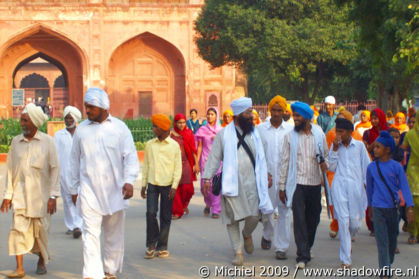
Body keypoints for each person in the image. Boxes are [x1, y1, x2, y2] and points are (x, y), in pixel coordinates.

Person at [70, 87, 140, 279]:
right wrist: (73, 188)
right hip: (89, 190)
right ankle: (92, 274)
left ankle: (110, 270)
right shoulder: (81, 130)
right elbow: (74, 160)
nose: (87, 111)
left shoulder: (119, 128)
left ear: (102, 107)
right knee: (89, 234)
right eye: (86, 106)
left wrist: (129, 181)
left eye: (91, 107)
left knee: (113, 234)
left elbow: (131, 157)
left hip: (115, 191)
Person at [202, 97, 273, 266]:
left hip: (253, 184)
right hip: (231, 183)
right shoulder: (223, 135)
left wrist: (268, 174)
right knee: (232, 220)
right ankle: (238, 252)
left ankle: (247, 234)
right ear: (238, 114)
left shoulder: (257, 134)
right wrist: (207, 178)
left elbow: (264, 157)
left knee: (254, 216)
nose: (252, 116)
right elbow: (214, 157)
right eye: (248, 113)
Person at [1, 103, 59, 278]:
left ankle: (41, 260)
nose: (22, 124)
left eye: (25, 121)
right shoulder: (15, 142)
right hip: (20, 196)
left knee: (40, 232)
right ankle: (19, 268)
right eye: (22, 120)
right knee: (17, 230)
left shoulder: (48, 142)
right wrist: (7, 195)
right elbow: (10, 170)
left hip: (40, 198)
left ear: (34, 122)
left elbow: (55, 169)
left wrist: (53, 195)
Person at [278, 102, 328, 269]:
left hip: (315, 183)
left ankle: (307, 246)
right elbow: (284, 162)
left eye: (298, 116)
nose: (295, 119)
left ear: (307, 118)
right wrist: (282, 186)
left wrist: (324, 165)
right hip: (297, 184)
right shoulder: (289, 136)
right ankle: (302, 255)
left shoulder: (319, 134)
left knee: (313, 218)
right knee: (299, 219)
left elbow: (326, 156)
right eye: (294, 116)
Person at [366, 131, 415, 278]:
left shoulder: (396, 167)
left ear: (387, 150)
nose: (374, 150)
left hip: (393, 209)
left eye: (378, 147)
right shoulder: (371, 167)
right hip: (378, 208)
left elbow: (405, 187)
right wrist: (369, 207)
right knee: (382, 242)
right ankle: (385, 272)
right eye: (374, 147)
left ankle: (388, 261)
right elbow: (369, 188)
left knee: (392, 242)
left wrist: (410, 207)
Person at [329, 118, 371, 268]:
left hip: (356, 188)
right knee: (343, 221)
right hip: (339, 187)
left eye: (341, 132)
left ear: (349, 132)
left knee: (354, 223)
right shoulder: (335, 147)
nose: (338, 135)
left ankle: (349, 239)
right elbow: (331, 167)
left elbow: (367, 167)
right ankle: (346, 259)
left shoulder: (359, 146)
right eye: (337, 131)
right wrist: (334, 150)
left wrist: (369, 187)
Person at [141, 114, 182, 259]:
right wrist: (143, 184)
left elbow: (178, 167)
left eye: (155, 127)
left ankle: (162, 246)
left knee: (165, 216)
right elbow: (146, 165)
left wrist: (174, 186)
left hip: (168, 185)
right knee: (151, 213)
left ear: (164, 129)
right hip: (152, 183)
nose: (153, 129)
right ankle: (151, 244)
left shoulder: (174, 146)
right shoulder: (150, 145)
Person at [257, 95, 293, 259]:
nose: (277, 113)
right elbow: (257, 154)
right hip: (267, 176)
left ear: (284, 111)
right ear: (269, 110)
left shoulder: (290, 130)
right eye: (274, 110)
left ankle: (281, 247)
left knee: (285, 211)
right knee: (268, 210)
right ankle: (267, 233)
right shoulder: (261, 130)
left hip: (285, 177)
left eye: (280, 110)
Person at [326, 110, 363, 239]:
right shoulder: (331, 135)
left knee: (353, 220)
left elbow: (365, 164)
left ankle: (349, 231)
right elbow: (330, 163)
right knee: (338, 210)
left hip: (354, 183)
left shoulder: (358, 141)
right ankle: (345, 253)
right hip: (336, 178)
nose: (339, 133)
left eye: (344, 119)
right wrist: (335, 149)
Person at [54, 106, 83, 239]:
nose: (68, 120)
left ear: (76, 119)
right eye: (66, 118)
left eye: (70, 118)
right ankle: (72, 225)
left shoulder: (81, 133)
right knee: (67, 199)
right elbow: (55, 154)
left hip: (80, 172)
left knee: (78, 198)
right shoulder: (59, 135)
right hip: (64, 172)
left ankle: (79, 224)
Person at [170, 113, 199, 219]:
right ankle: (177, 211)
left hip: (186, 163)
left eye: (183, 122)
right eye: (179, 123)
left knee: (188, 189)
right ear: (175, 123)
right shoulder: (170, 134)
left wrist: (196, 164)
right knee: (176, 188)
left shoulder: (188, 133)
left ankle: (183, 205)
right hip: (173, 164)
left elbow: (193, 150)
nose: (181, 125)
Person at [195, 108, 222, 218]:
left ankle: (216, 209)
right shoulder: (202, 130)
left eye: (212, 114)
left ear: (216, 116)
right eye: (208, 114)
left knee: (215, 185)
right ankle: (208, 203)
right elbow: (200, 146)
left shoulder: (221, 130)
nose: (210, 116)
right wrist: (196, 162)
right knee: (203, 186)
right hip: (205, 160)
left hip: (218, 161)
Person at [401, 112, 419, 244]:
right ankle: (413, 232)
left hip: (413, 169)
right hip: (413, 171)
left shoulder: (410, 134)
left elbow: (404, 148)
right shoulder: (410, 134)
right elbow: (403, 149)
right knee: (412, 203)